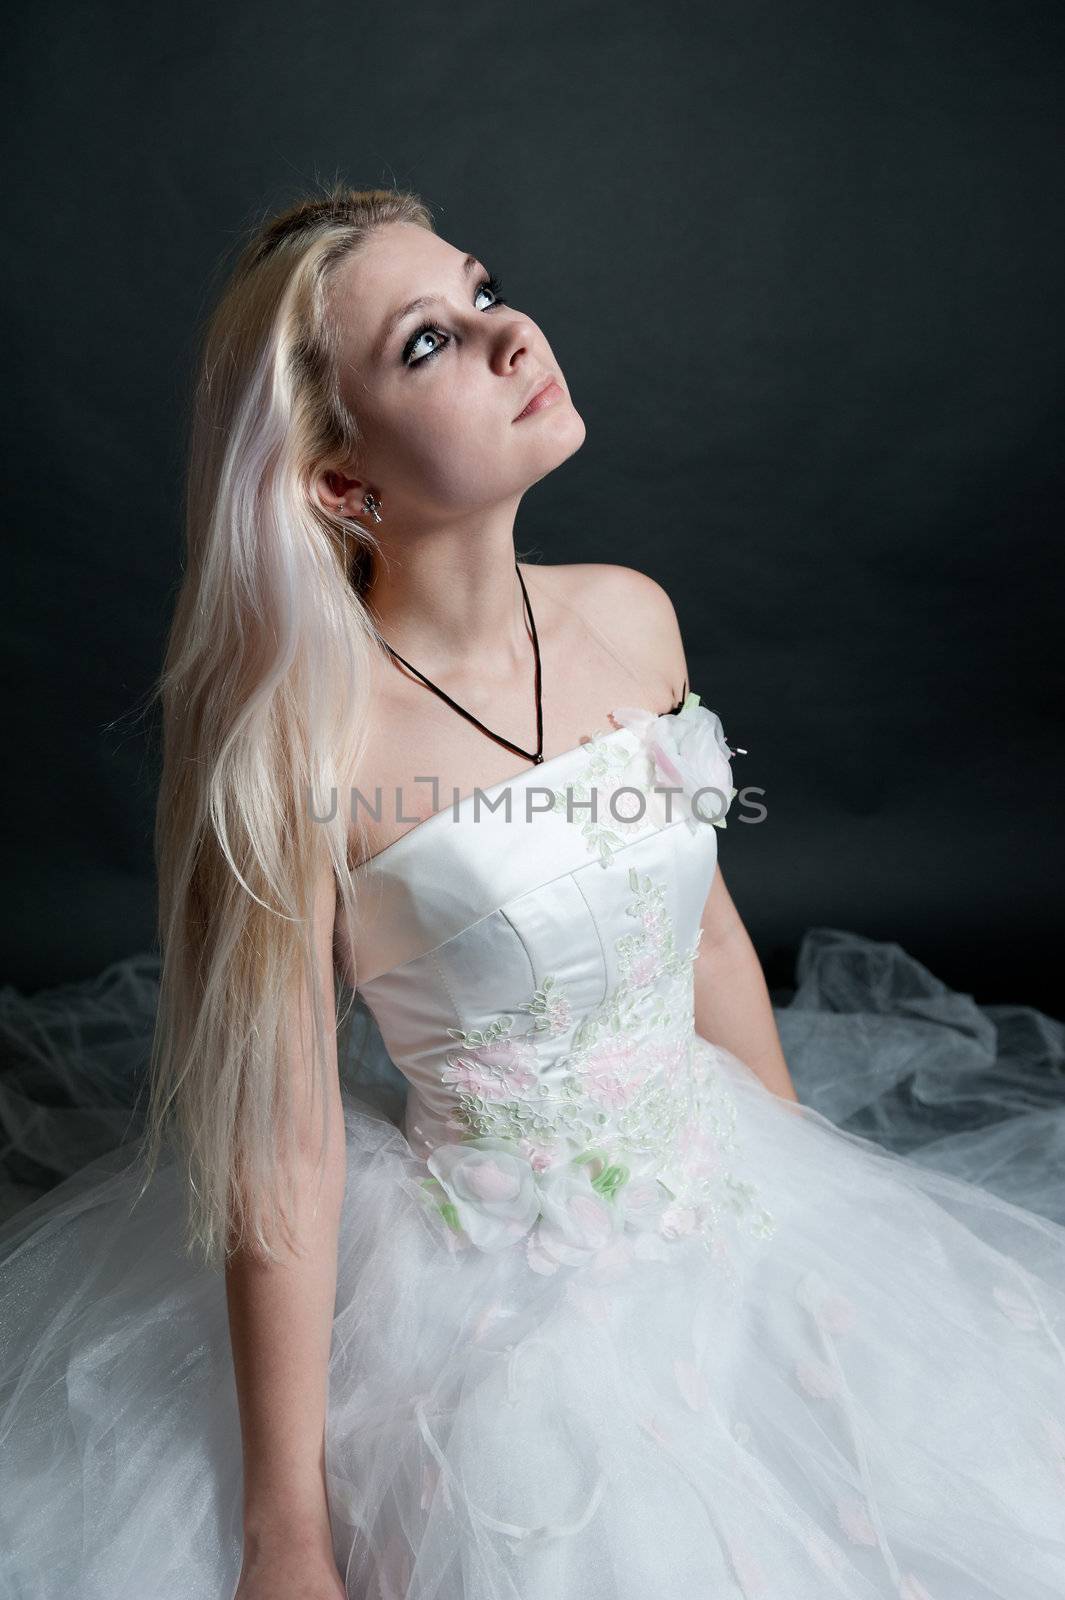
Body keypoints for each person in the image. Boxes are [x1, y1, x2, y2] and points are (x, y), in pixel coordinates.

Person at [1, 185, 1063, 1600]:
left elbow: (703, 940)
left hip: (714, 1178)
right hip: (485, 1272)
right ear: (339, 481)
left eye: (483, 289)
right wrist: (289, 1530)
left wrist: (816, 1245)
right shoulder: (303, 745)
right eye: (427, 344)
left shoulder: (630, 612)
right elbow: (283, 1136)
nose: (507, 336)